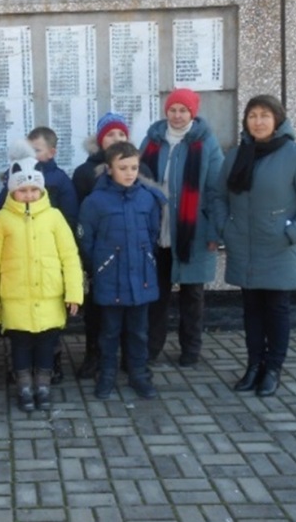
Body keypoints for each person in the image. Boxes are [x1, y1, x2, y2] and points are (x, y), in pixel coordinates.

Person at [213, 95, 296, 397]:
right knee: (251, 310)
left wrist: (292, 233)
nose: (258, 121)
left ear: (278, 119)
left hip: (279, 248)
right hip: (245, 248)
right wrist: (226, 228)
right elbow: (218, 196)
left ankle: (273, 369)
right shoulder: (237, 155)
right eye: (252, 116)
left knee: (276, 310)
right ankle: (254, 366)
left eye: (265, 115)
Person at [0, 142, 83, 412]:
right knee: (21, 346)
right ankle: (24, 386)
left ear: (41, 190)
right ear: (12, 191)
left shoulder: (54, 217)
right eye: (22, 190)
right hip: (16, 298)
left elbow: (70, 257)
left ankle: (43, 385)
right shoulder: (1, 220)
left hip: (49, 297)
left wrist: (74, 293)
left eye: (33, 190)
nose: (28, 195)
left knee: (46, 345)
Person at [139, 89, 225, 368]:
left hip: (192, 229)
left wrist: (214, 232)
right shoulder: (152, 140)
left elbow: (216, 190)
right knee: (156, 294)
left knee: (192, 295)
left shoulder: (206, 143)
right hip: (158, 228)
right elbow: (138, 181)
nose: (177, 115)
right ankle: (151, 348)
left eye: (183, 110)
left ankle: (191, 349)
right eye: (173, 109)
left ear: (192, 113)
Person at [78, 141, 164, 400]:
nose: (129, 173)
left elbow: (153, 233)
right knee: (109, 332)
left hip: (141, 278)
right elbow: (86, 241)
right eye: (122, 168)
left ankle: (139, 374)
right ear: (109, 168)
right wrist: (102, 266)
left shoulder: (147, 198)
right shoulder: (95, 201)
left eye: (134, 168)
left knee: (139, 332)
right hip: (110, 279)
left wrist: (145, 258)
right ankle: (106, 375)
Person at [71, 112, 131, 380]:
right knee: (96, 311)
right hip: (100, 254)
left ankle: (130, 357)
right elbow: (79, 216)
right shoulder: (85, 172)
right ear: (99, 140)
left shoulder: (139, 168)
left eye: (121, 134)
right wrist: (87, 254)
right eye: (110, 134)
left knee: (131, 311)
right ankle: (94, 356)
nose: (116, 139)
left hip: (130, 254)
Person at [0, 127, 79, 230]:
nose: (30, 154)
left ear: (51, 153)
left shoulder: (61, 180)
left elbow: (69, 218)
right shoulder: (15, 175)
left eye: (36, 150)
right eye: (28, 150)